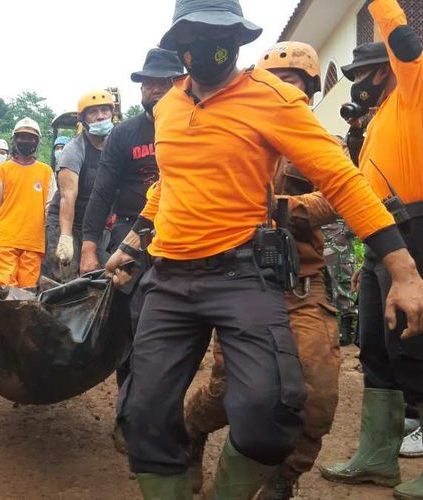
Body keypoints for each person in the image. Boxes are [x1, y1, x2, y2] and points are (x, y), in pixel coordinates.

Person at [104, 0, 423, 497]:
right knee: (142, 413)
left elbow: (341, 180)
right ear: (180, 45)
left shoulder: (271, 98)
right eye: (198, 37)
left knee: (272, 412)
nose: (212, 49)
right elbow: (168, 181)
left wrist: (402, 269)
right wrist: (133, 241)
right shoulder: (169, 105)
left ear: (239, 39)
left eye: (223, 37)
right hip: (169, 278)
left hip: (241, 273)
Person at [184, 41, 342, 499]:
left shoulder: (321, 144)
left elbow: (337, 195)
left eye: (291, 81)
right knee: (229, 393)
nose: (280, 88)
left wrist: (282, 207)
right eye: (272, 80)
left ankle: (282, 480)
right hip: (241, 283)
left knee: (315, 396)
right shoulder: (234, 138)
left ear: (308, 91)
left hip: (301, 287)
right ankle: (192, 432)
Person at [319, 1, 423, 498]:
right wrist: (366, 260)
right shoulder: (379, 117)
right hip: (382, 241)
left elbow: (401, 35)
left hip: (418, 232)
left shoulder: (413, 91)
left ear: (384, 70)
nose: (357, 82)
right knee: (377, 349)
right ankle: (378, 458)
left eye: (362, 73)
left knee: (416, 345)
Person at [80, 47, 184, 276]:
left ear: (180, 84)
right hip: (130, 228)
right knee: (127, 304)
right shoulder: (123, 134)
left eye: (163, 82)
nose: (155, 89)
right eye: (148, 83)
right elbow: (102, 192)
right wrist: (88, 249)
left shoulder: (194, 127)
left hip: (183, 230)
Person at [44, 90, 116, 282]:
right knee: (64, 279)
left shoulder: (116, 147)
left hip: (96, 226)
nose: (100, 116)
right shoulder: (74, 149)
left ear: (112, 113)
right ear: (83, 118)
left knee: (102, 275)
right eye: (93, 112)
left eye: (104, 110)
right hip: (68, 222)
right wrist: (65, 237)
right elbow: (68, 196)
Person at [0, 118, 56, 288]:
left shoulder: (46, 171)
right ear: (15, 140)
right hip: (5, 241)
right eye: (22, 137)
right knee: (5, 292)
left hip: (33, 243)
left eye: (31, 137)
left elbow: (51, 207)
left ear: (37, 141)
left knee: (27, 294)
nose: (26, 141)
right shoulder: (3, 170)